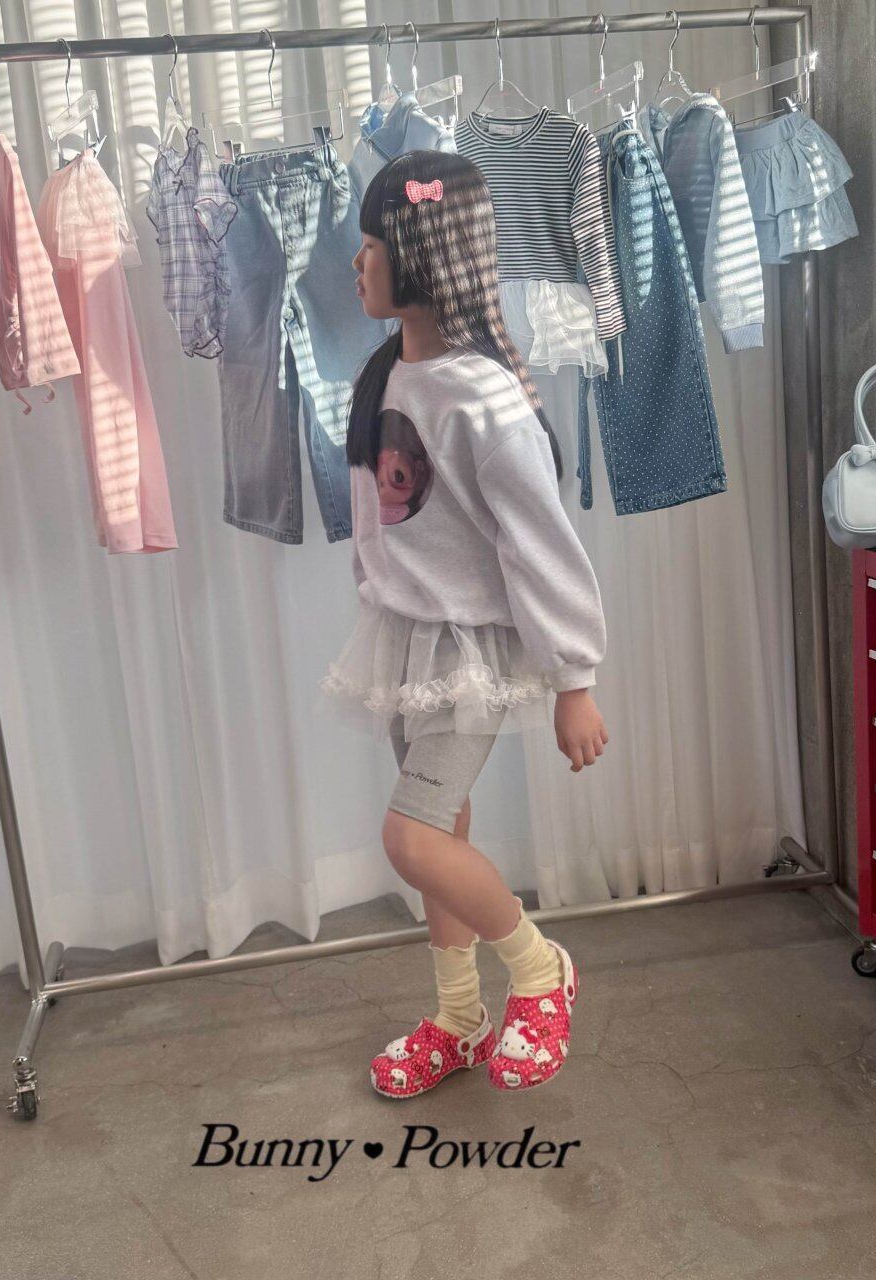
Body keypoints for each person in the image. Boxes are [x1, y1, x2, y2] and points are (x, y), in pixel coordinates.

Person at [318, 150, 609, 1096]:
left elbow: (540, 539)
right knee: (440, 831)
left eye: (372, 245)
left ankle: (540, 970)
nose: (357, 263)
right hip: (406, 637)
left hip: (470, 650)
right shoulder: (385, 375)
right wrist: (375, 594)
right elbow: (379, 517)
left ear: (424, 255)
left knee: (410, 838)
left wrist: (574, 678)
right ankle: (458, 1017)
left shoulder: (481, 394)